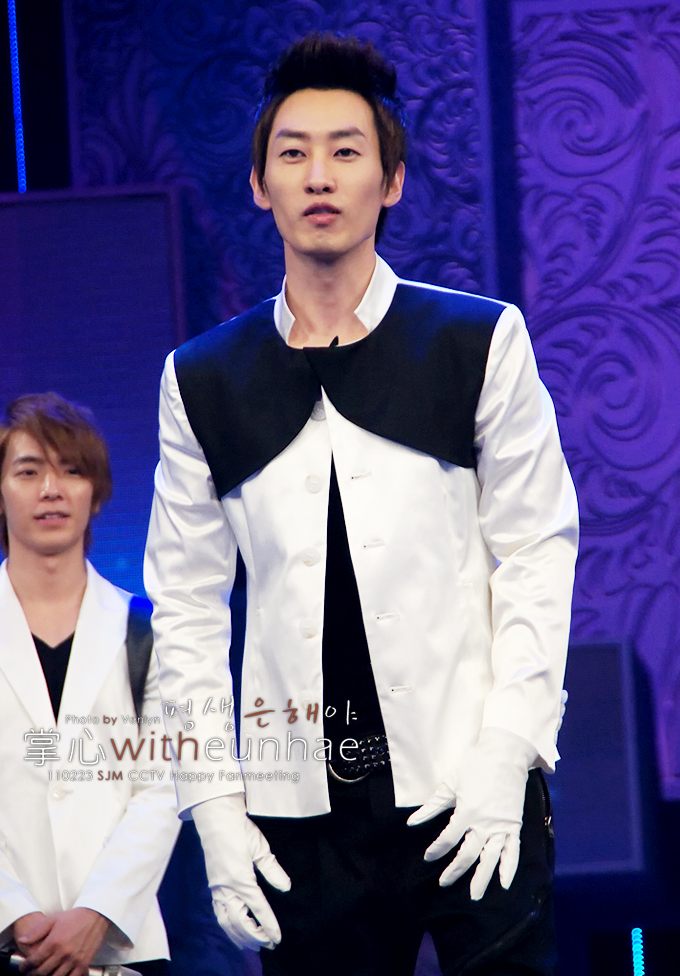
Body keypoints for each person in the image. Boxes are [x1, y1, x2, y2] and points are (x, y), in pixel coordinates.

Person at [144, 33, 579, 976]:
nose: (319, 175)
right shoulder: (203, 378)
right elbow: (185, 609)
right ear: (259, 183)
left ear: (391, 179)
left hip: (467, 781)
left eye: (346, 151)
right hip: (301, 814)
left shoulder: (477, 341)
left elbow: (537, 553)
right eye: (293, 153)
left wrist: (509, 750)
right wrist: (213, 808)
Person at [0, 393, 180, 976]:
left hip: (120, 950)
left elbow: (163, 788)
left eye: (72, 471)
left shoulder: (145, 630)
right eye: (29, 472)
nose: (51, 490)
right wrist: (14, 915)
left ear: (96, 492)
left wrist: (97, 912)